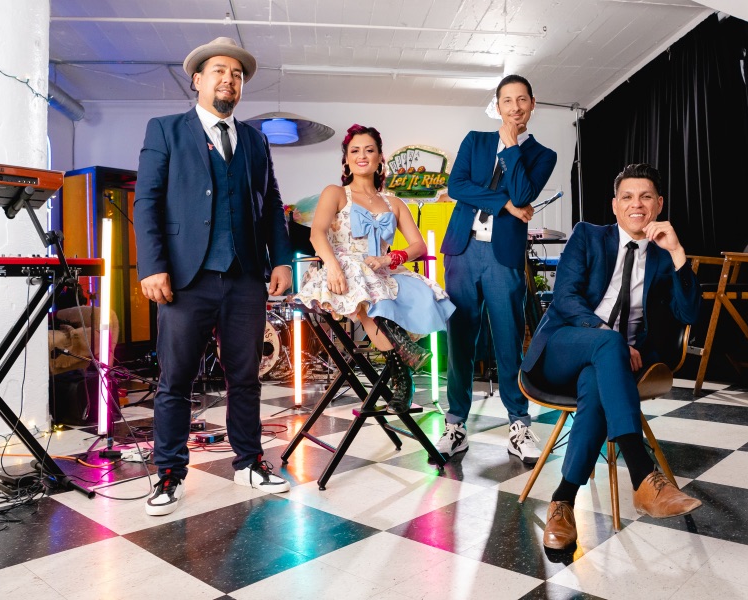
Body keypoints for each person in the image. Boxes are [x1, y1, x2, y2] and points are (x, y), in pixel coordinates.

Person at [134, 37, 294, 516]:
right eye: (220, 71)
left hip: (245, 276)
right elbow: (147, 202)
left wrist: (281, 260)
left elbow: (270, 209)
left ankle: (248, 461)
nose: (229, 79)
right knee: (175, 380)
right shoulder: (165, 130)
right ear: (198, 80)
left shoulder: (255, 140)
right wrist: (152, 265)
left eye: (238, 75)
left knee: (245, 376)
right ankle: (168, 472)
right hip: (185, 278)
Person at [521, 163, 703, 550]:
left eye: (646, 196)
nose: (637, 204)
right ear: (615, 205)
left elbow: (689, 315)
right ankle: (643, 474)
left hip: (611, 368)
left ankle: (563, 501)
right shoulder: (588, 236)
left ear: (659, 204)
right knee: (608, 345)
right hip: (561, 350)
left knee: (596, 383)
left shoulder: (661, 255)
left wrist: (677, 253)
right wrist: (611, 339)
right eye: (628, 197)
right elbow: (566, 298)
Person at [438, 74, 557, 465]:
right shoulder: (475, 140)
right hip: (462, 250)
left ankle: (519, 425)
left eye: (522, 100)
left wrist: (510, 150)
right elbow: (457, 188)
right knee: (459, 342)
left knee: (508, 341)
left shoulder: (542, 155)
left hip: (503, 256)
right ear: (498, 105)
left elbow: (525, 193)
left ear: (532, 104)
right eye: (507, 101)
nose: (515, 108)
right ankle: (455, 423)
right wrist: (505, 205)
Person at [294, 124, 455, 413]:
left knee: (416, 290)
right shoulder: (335, 193)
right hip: (341, 271)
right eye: (355, 150)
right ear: (346, 159)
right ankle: (402, 369)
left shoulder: (394, 203)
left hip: (380, 273)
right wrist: (332, 266)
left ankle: (401, 366)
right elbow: (317, 233)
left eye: (369, 150)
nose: (362, 155)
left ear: (380, 157)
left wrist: (389, 260)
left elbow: (419, 246)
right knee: (361, 281)